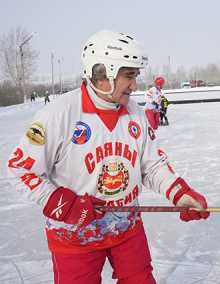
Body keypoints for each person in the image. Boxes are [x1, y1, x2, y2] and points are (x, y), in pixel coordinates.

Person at [7, 30, 209, 284]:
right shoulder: (58, 115)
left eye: (135, 76)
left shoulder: (134, 114)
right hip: (75, 237)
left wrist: (180, 193)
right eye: (129, 76)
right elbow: (20, 168)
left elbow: (151, 165)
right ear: (104, 73)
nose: (135, 85)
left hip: (126, 229)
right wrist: (62, 204)